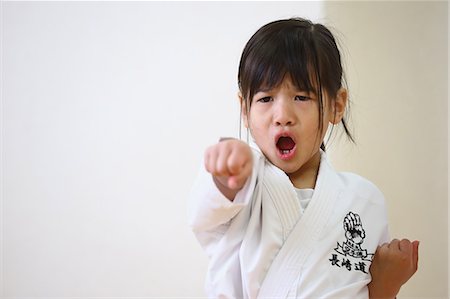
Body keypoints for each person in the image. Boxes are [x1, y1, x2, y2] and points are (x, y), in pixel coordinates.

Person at [188, 18, 418, 298]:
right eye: (265, 99)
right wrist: (226, 172)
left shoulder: (364, 200)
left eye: (301, 97)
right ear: (245, 111)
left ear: (336, 105)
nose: (283, 115)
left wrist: (385, 287)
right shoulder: (244, 186)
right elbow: (204, 210)